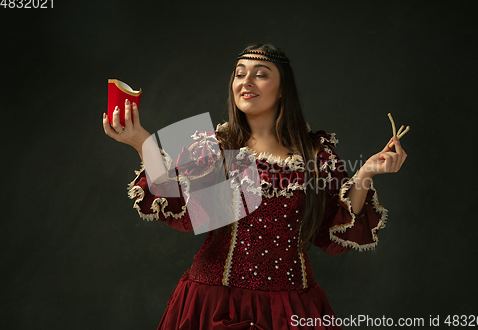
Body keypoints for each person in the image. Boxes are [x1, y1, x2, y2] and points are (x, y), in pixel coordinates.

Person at [102, 43, 407, 329]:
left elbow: (332, 227)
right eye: (239, 74)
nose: (246, 82)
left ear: (283, 89)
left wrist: (367, 171)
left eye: (260, 74)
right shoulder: (210, 145)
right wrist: (141, 142)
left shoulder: (316, 153)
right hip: (213, 304)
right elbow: (179, 210)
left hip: (290, 309)